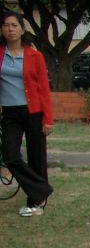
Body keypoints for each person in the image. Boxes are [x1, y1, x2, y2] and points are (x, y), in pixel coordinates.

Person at [0, 11, 53, 217]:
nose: (10, 29)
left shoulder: (34, 55)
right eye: (6, 25)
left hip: (33, 112)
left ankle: (36, 202)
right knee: (10, 156)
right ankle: (42, 190)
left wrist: (48, 119)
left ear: (22, 29)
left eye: (14, 25)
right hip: (10, 113)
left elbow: (43, 90)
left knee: (36, 156)